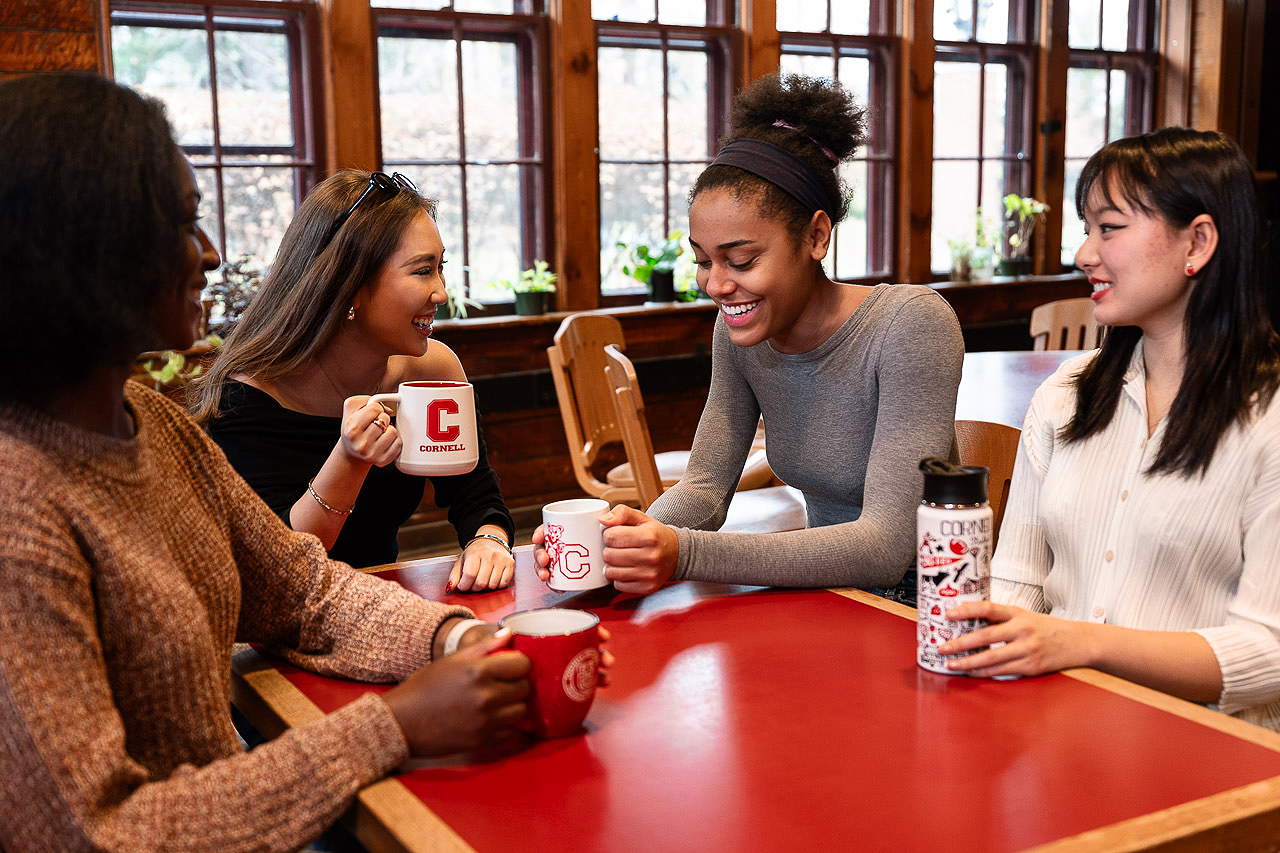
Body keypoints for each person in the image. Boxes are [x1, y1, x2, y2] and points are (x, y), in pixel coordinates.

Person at [0, 73, 533, 850]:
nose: (209, 255)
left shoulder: (150, 421)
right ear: (85, 248)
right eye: (184, 226)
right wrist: (390, 726)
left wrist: (453, 640)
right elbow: (97, 832)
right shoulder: (19, 509)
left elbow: (303, 590)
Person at [536, 73, 963, 600]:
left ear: (816, 236)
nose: (716, 285)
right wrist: (623, 538)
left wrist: (681, 553)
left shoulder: (910, 324)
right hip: (831, 594)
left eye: (741, 260)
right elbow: (705, 488)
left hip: (924, 609)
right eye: (702, 260)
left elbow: (884, 547)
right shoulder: (741, 333)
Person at [940, 128, 1280, 731]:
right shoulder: (1065, 396)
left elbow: (1268, 652)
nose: (1083, 253)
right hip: (1061, 724)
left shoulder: (1268, 414)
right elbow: (1019, 584)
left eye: (1109, 227)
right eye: (1087, 228)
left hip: (1216, 752)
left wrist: (1082, 643)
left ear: (1197, 241)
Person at [190, 169, 516, 589]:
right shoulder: (247, 395)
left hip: (385, 602)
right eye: (422, 271)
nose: (441, 292)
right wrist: (349, 459)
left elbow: (476, 498)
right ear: (350, 287)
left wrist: (489, 542)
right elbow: (281, 567)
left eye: (441, 268)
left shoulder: (432, 371)